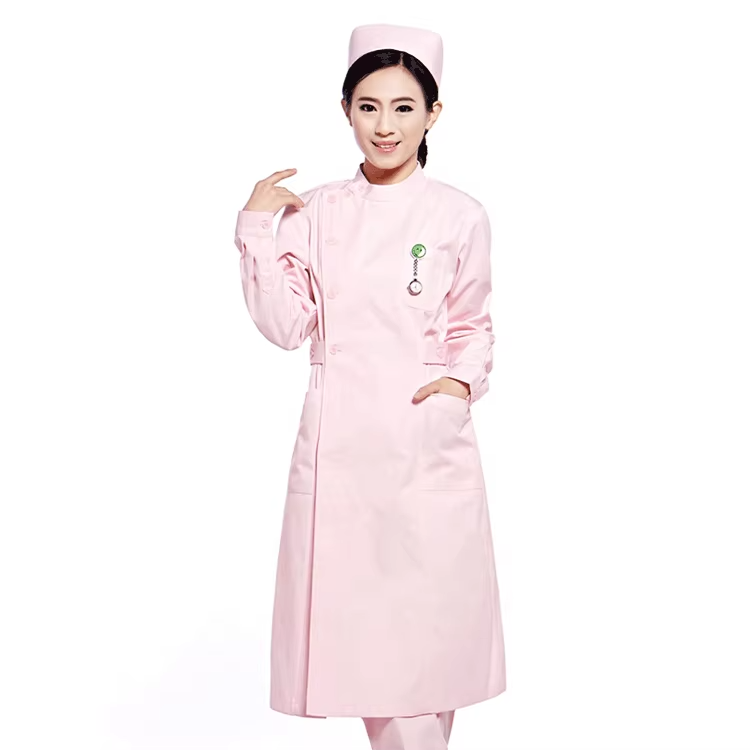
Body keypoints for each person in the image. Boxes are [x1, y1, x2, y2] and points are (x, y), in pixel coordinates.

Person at [234, 22, 506, 750]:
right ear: (346, 110)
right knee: (380, 666)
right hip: (343, 458)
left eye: (404, 107)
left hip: (425, 447)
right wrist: (257, 226)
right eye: (369, 106)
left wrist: (455, 388)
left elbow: (472, 326)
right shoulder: (316, 212)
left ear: (433, 114)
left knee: (429, 667)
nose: (385, 126)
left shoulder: (459, 215)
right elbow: (286, 326)